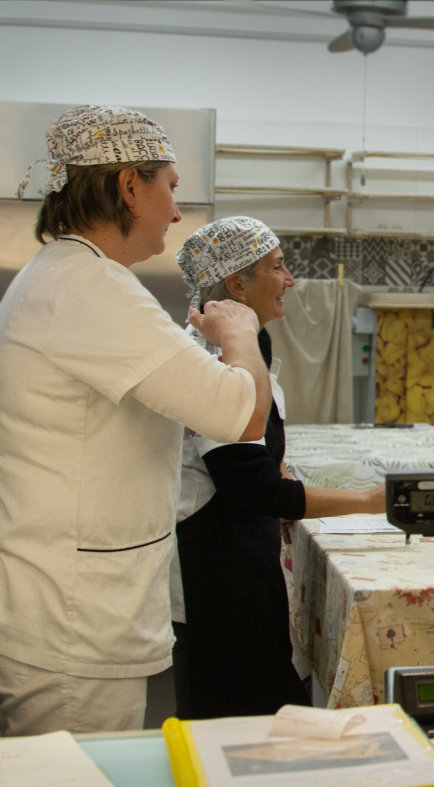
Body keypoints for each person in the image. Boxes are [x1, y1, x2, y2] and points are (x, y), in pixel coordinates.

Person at [0, 106, 272, 736]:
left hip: (75, 605)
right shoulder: (90, 288)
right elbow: (245, 414)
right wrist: (239, 330)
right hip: (73, 623)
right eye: (171, 187)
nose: (177, 212)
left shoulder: (67, 278)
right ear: (128, 185)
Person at [173, 216, 386, 719]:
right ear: (236, 285)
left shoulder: (249, 346)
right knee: (244, 720)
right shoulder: (216, 355)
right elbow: (255, 489)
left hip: (242, 555)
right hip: (218, 575)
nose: (290, 279)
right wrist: (368, 503)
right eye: (277, 266)